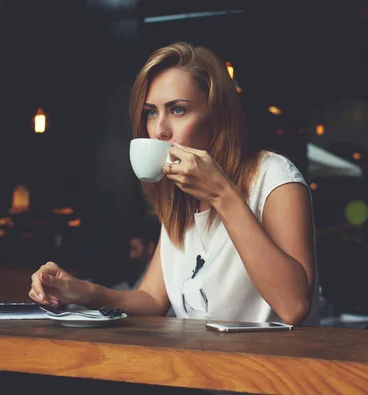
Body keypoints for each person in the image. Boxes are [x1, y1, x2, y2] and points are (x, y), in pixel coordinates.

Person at [29, 41, 319, 326]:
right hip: (196, 369)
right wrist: (84, 291)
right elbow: (152, 300)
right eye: (151, 112)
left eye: (178, 110)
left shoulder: (274, 177)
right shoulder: (179, 196)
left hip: (273, 371)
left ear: (217, 115)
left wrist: (222, 195)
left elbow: (293, 307)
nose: (159, 130)